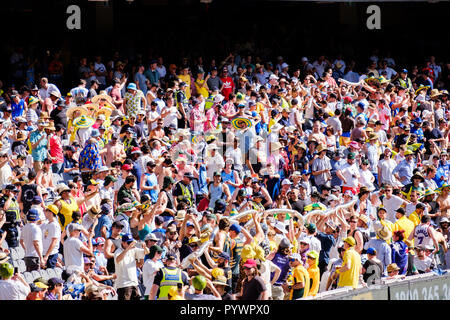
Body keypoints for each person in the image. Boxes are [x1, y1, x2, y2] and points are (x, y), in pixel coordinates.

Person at [114, 234, 148, 300]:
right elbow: (118, 259)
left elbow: (147, 252)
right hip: (123, 284)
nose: (131, 244)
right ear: (123, 243)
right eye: (128, 242)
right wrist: (128, 248)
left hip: (134, 283)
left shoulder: (134, 250)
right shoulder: (118, 251)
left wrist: (145, 247)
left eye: (131, 242)